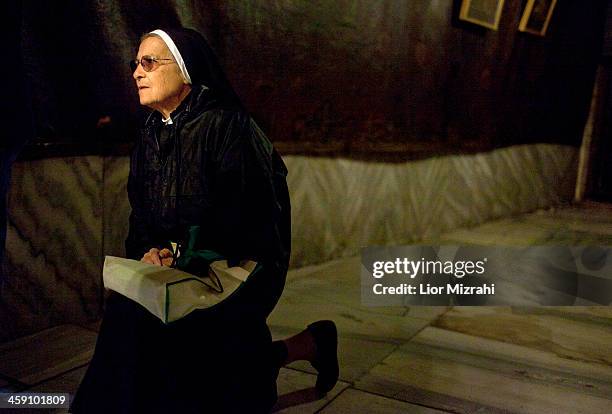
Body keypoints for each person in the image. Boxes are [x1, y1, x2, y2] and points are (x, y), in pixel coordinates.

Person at [70, 27, 337, 413]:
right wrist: (150, 252)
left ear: (186, 70)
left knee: (157, 328)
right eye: (135, 64)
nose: (136, 73)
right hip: (182, 265)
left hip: (244, 263)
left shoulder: (229, 127)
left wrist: (182, 256)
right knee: (141, 314)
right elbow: (141, 215)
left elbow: (249, 219)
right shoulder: (149, 135)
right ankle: (309, 345)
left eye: (149, 62)